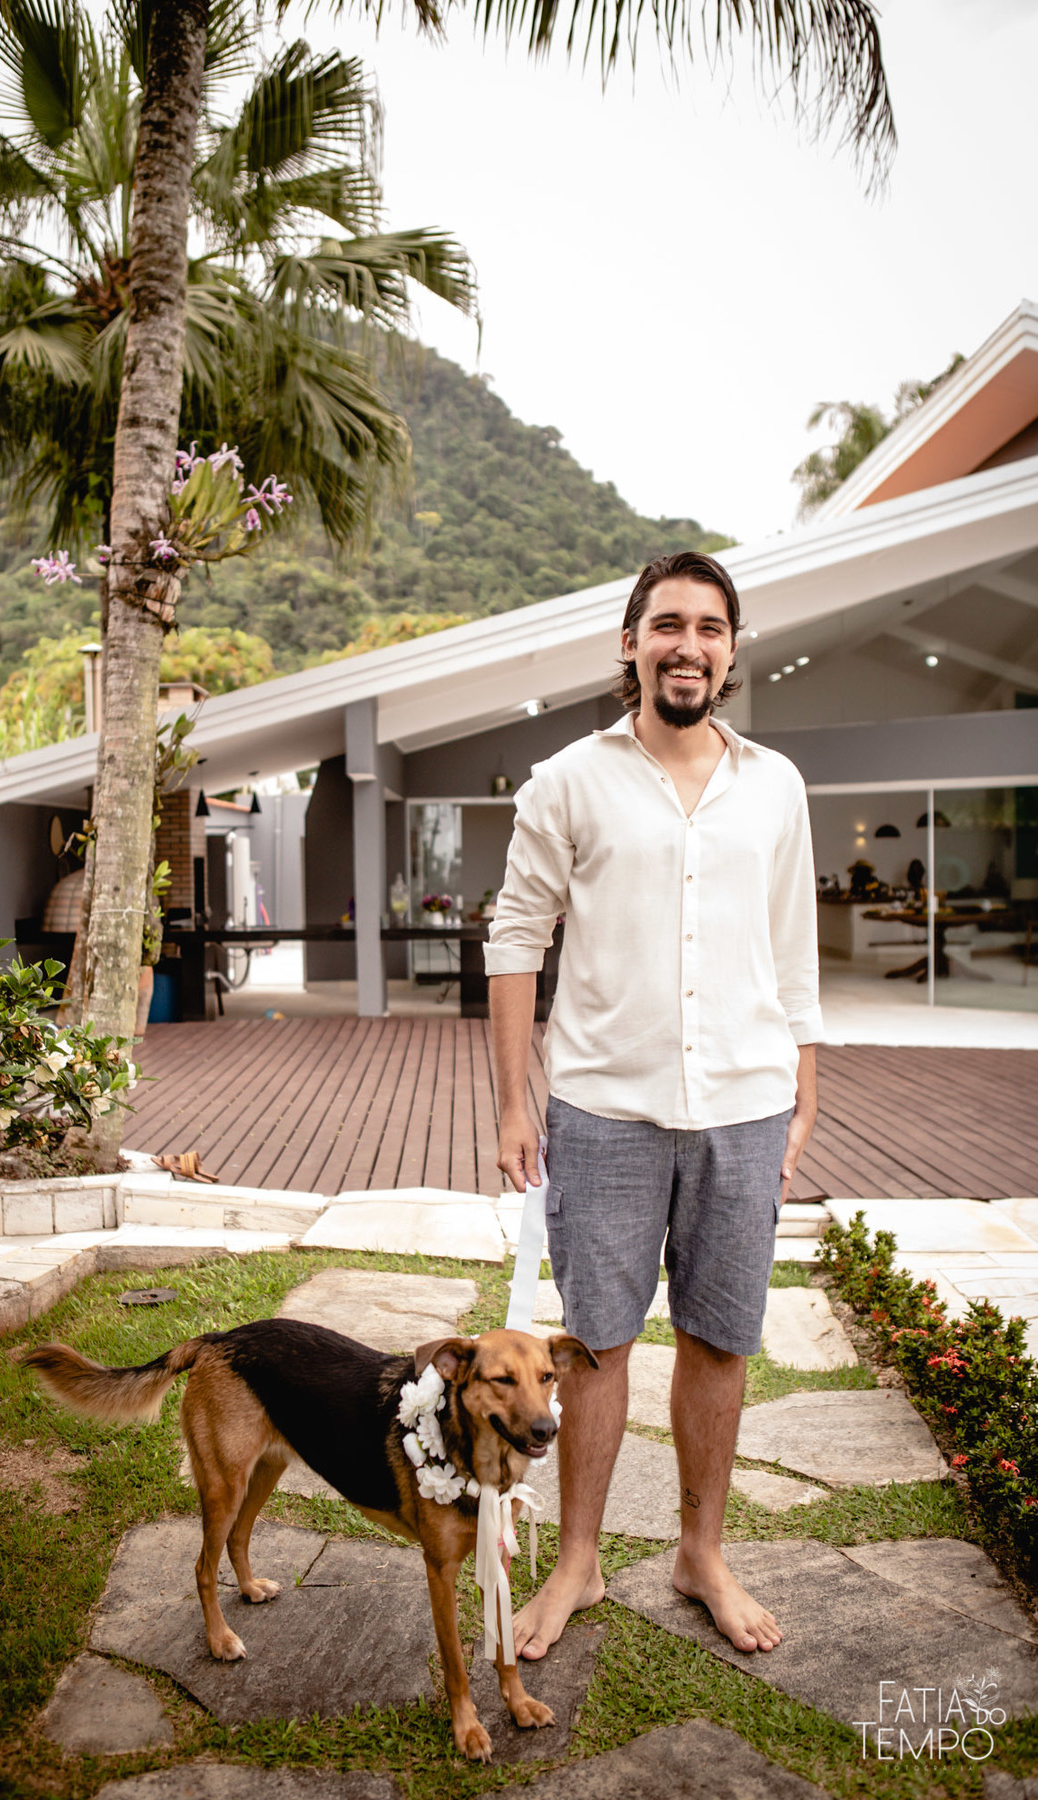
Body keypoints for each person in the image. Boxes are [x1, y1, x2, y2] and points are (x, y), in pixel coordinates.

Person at [485, 550, 821, 1660]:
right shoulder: (567, 780)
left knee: (719, 1341)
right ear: (630, 644)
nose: (689, 645)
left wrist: (802, 1087)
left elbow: (793, 951)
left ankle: (699, 1552)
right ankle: (579, 1563)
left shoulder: (775, 785)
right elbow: (515, 940)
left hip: (744, 1102)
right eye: (667, 624)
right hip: (604, 1108)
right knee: (597, 1343)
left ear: (731, 650)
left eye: (710, 628)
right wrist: (512, 1103)